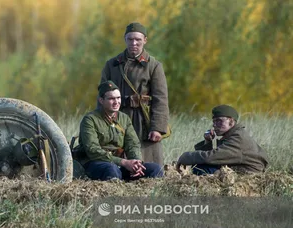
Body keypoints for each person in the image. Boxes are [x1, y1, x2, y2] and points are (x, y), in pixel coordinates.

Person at [100, 22, 170, 166]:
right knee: (117, 157)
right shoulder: (112, 64)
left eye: (138, 39)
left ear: (145, 40)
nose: (134, 43)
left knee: (149, 163)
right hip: (118, 117)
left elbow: (160, 99)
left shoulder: (153, 66)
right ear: (125, 40)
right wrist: (102, 121)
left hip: (143, 119)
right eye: (130, 39)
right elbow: (102, 96)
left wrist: (157, 127)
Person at [78, 80, 163, 181]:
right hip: (97, 163)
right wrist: (124, 162)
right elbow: (92, 150)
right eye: (111, 99)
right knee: (112, 170)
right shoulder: (90, 120)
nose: (116, 102)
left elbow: (133, 144)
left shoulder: (124, 118)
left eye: (118, 98)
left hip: (121, 164)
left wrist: (136, 163)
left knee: (156, 169)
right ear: (101, 100)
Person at [176, 105, 269, 175]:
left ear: (231, 122)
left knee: (201, 168)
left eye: (219, 121)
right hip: (240, 172)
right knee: (200, 166)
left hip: (248, 176)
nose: (214, 125)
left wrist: (186, 156)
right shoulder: (233, 134)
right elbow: (215, 158)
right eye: (214, 121)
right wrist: (208, 141)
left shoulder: (238, 137)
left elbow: (211, 157)